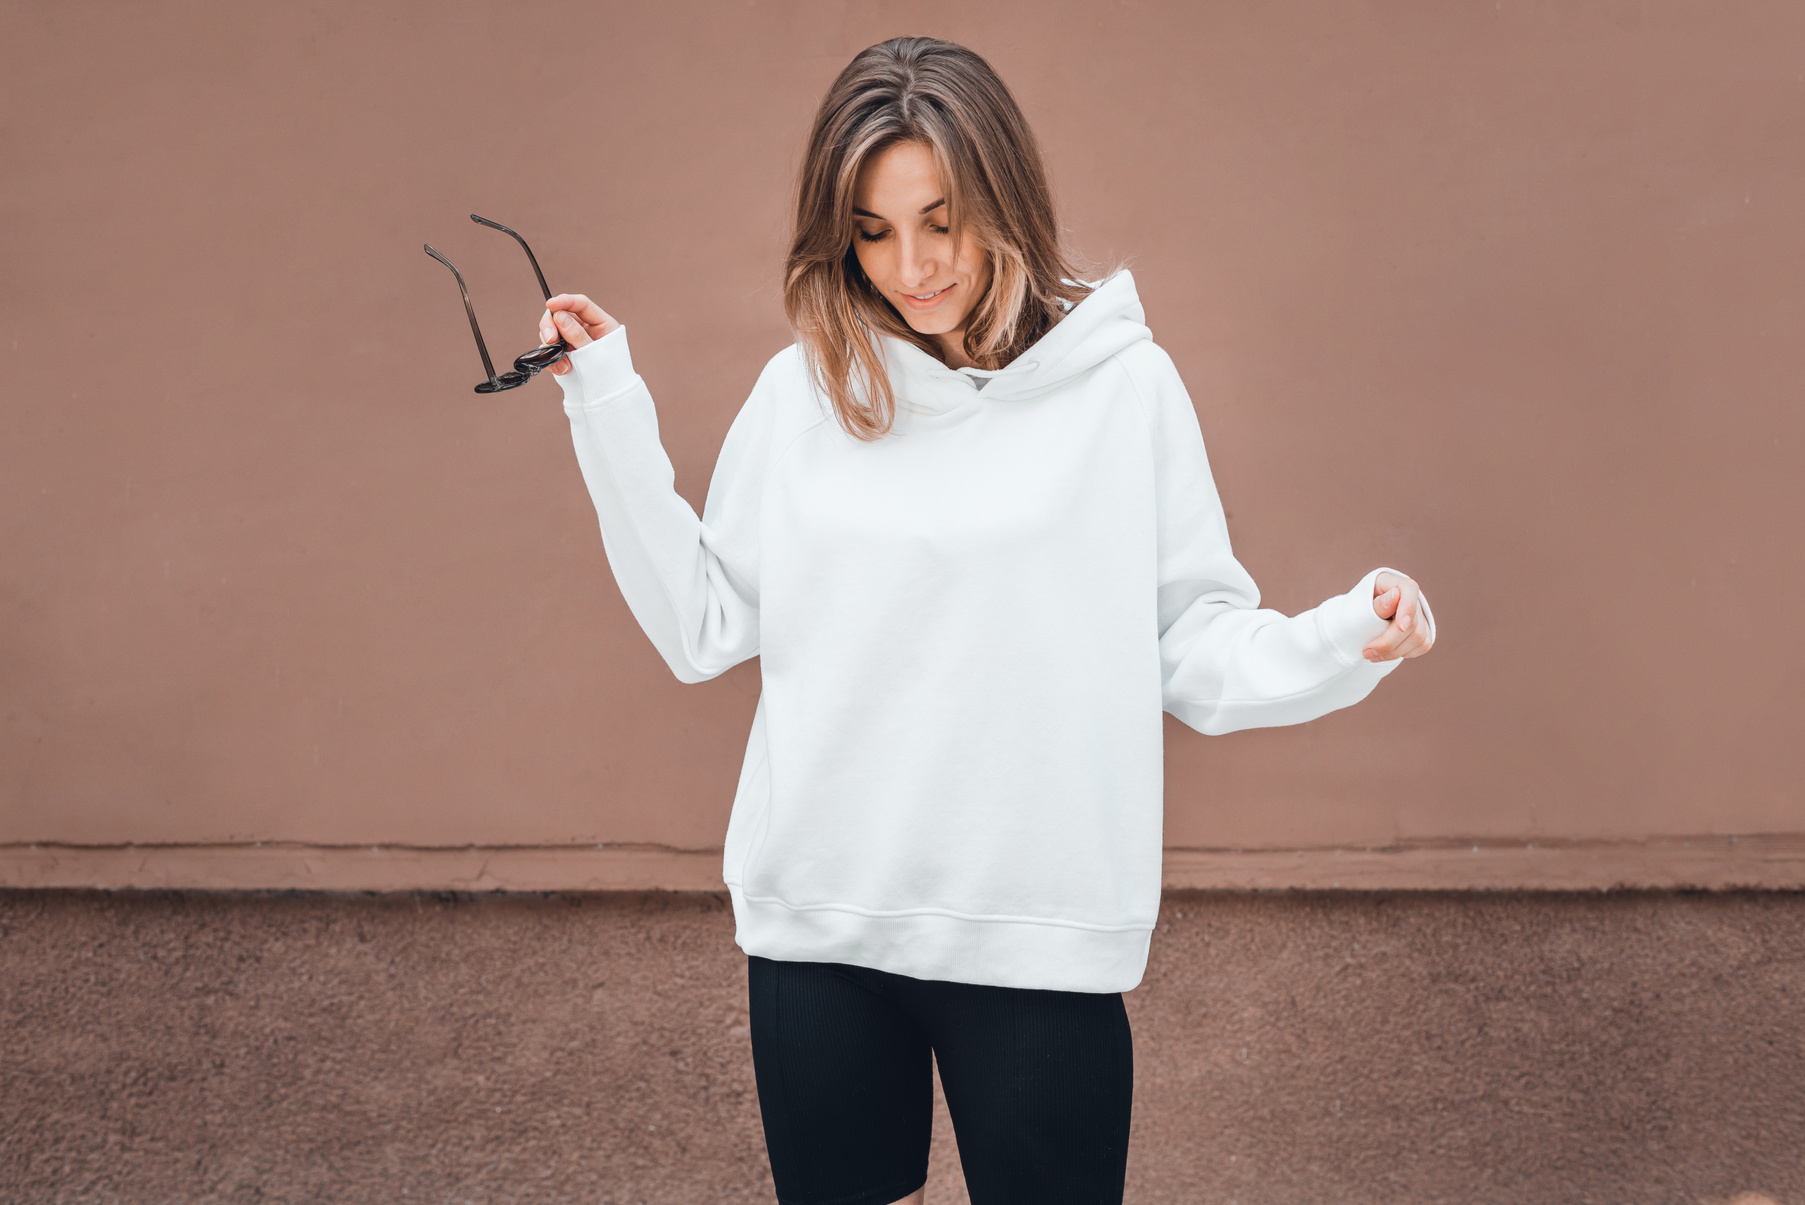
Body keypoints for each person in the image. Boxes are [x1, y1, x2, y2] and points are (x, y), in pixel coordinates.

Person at [536, 35, 1434, 1205]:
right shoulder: (805, 389)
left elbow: (1193, 647)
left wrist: (1335, 640)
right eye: (871, 228)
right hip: (821, 927)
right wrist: (608, 408)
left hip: (1037, 929)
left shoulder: (1122, 390)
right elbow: (701, 623)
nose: (911, 264)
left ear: (1002, 197)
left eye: (940, 218)